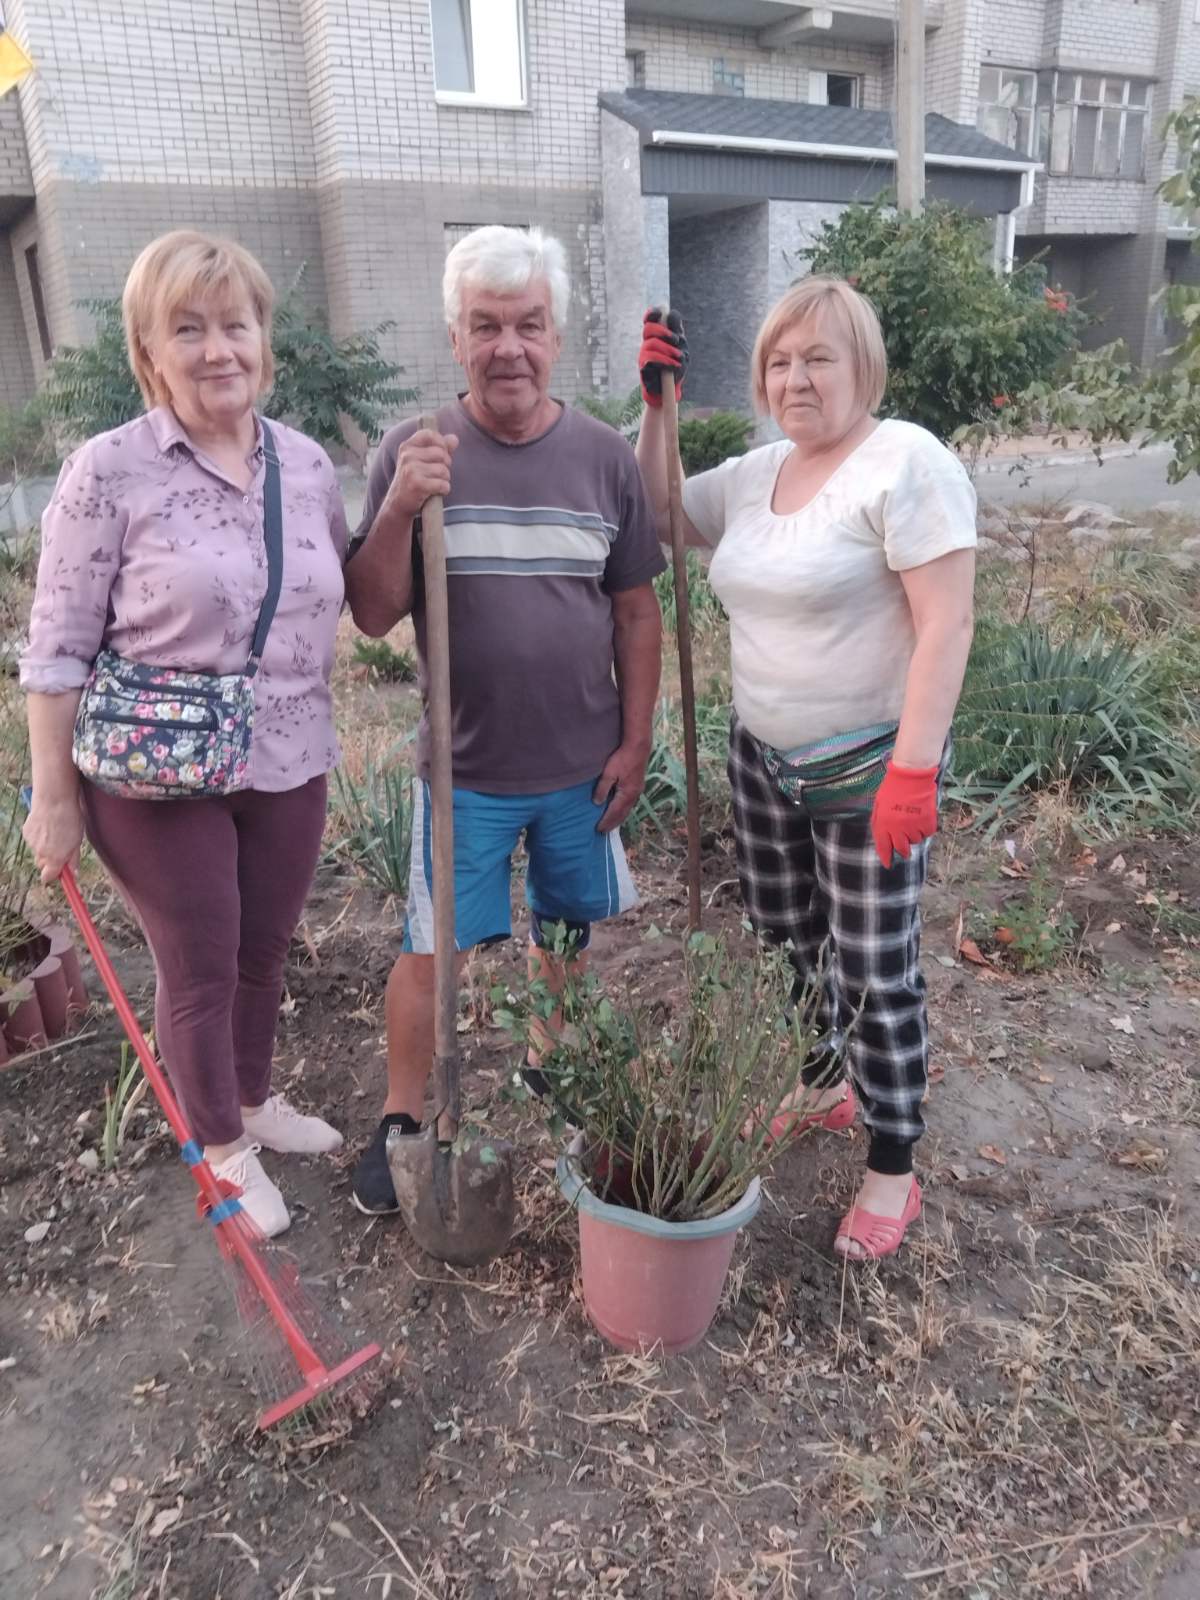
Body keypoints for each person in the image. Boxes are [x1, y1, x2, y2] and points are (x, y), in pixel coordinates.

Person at [635, 279, 976, 1261]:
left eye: (818, 358)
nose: (796, 378)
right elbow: (659, 514)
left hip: (871, 766)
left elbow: (946, 622)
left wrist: (915, 769)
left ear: (861, 366)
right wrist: (657, 411)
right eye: (779, 362)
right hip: (763, 759)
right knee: (785, 939)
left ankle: (892, 1162)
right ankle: (821, 1085)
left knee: (874, 968)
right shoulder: (755, 474)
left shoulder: (905, 463)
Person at [20, 230, 350, 1237]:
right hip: (157, 771)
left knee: (266, 947)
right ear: (147, 350)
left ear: (264, 341)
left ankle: (251, 1100)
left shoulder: (305, 463)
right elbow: (56, 646)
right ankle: (218, 1147)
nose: (217, 350)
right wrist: (54, 795)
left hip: (289, 753)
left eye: (235, 325)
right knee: (201, 963)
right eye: (187, 329)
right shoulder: (107, 471)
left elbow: (342, 591)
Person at [345, 224, 665, 1216]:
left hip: (581, 766)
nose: (509, 347)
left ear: (557, 336)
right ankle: (404, 1117)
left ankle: (554, 1074)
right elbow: (371, 611)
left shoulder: (605, 458)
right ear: (457, 338)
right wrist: (399, 507)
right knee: (429, 950)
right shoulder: (417, 450)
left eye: (528, 325)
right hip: (466, 773)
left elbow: (636, 610)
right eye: (486, 327)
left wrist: (638, 738)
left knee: (564, 937)